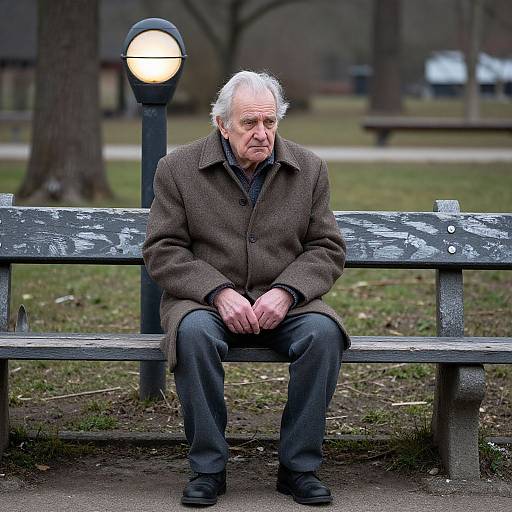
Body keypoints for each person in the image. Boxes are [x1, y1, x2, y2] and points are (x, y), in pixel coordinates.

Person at [142, 70, 349, 506]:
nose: (262, 134)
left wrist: (288, 291)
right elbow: (163, 250)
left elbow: (327, 248)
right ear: (221, 124)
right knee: (193, 334)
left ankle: (298, 467)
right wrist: (217, 291)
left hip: (287, 305)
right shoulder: (177, 169)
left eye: (270, 123)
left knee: (324, 334)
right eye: (249, 123)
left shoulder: (309, 169)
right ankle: (208, 469)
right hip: (204, 304)